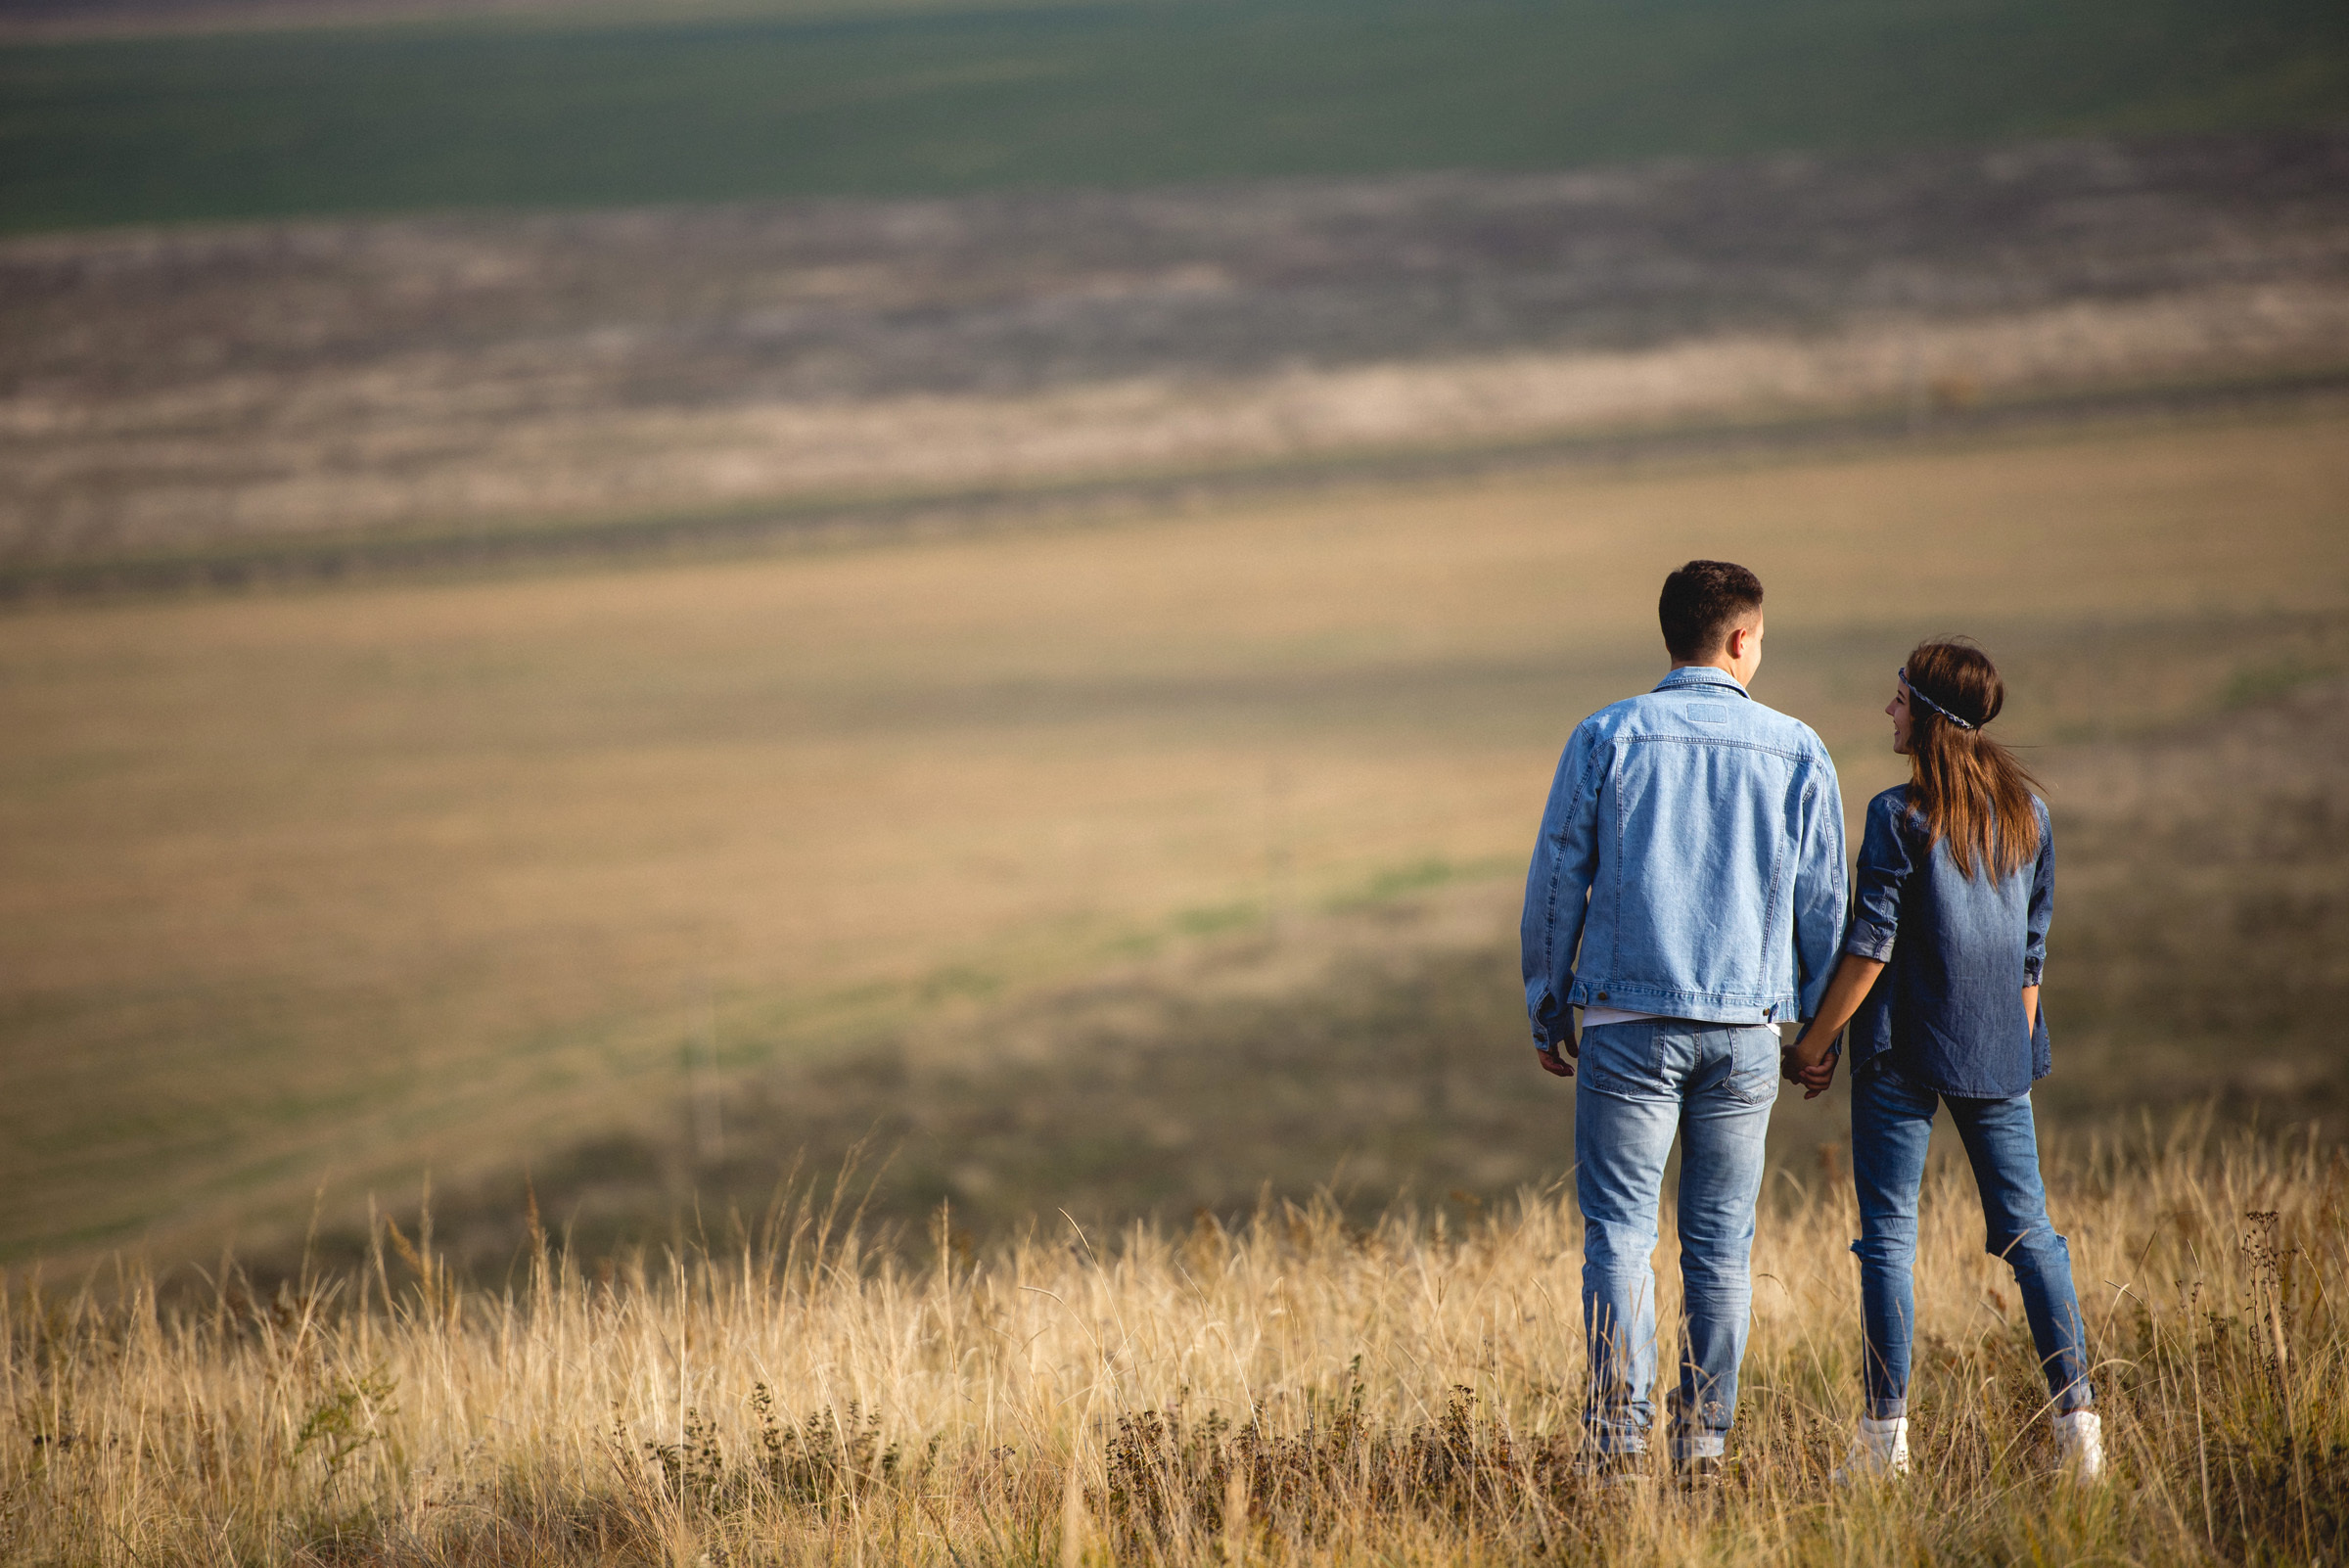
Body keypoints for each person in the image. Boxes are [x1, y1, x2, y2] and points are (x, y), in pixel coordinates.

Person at [1521, 560, 1847, 1476]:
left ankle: (1618, 1441)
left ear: (1672, 635)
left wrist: (1549, 1000)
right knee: (1720, 1243)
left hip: (1626, 1022)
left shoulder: (1606, 736)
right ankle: (1704, 1442)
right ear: (1741, 639)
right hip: (1748, 1029)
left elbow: (1557, 880)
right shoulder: (1797, 748)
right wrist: (1817, 1034)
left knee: (1620, 1233)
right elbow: (1826, 904)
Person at [1786, 639, 2102, 1482]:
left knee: (1888, 1241)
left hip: (1897, 1053)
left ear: (1928, 715)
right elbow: (2030, 963)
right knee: (2033, 1236)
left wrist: (1813, 1046)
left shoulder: (1898, 814)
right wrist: (2005, 1043)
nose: (1888, 711)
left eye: (1898, 699)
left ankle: (1884, 1446)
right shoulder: (2031, 817)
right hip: (2001, 1050)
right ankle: (2083, 1434)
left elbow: (1869, 947)